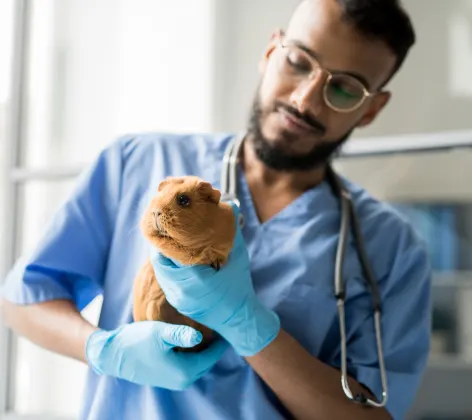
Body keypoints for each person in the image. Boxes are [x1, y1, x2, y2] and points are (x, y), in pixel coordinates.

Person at [0, 0, 432, 419]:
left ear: (371, 108)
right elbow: (22, 300)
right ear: (270, 52)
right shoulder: (138, 162)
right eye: (299, 62)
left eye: (343, 88)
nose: (304, 100)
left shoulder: (390, 248)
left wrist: (248, 325)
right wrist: (103, 351)